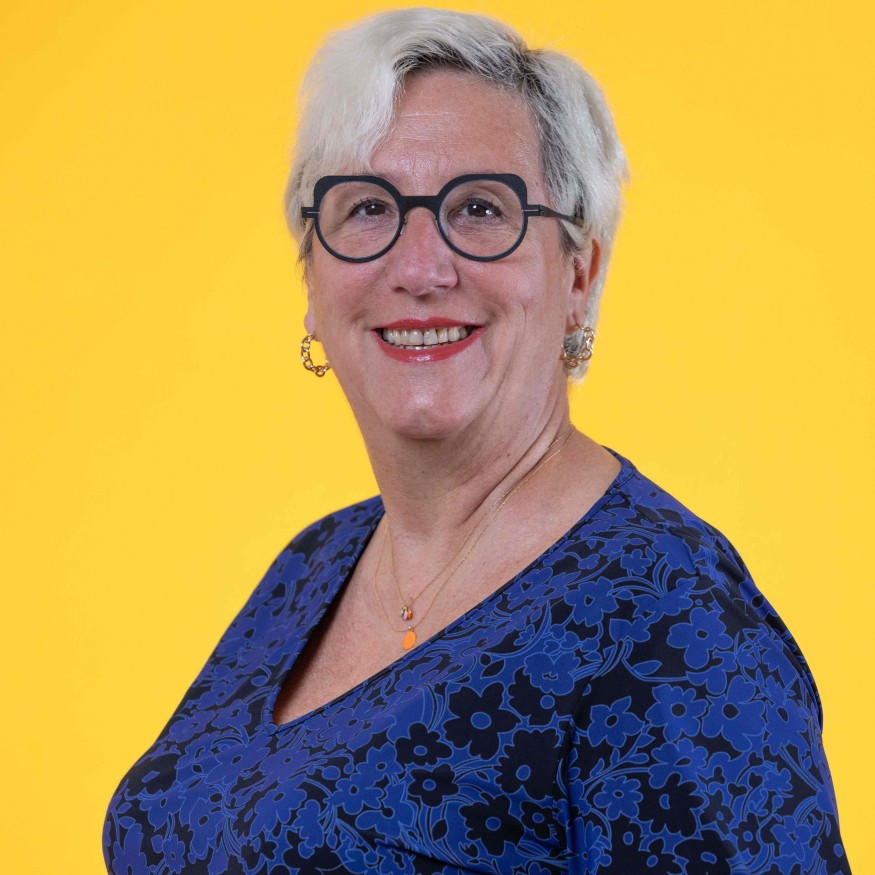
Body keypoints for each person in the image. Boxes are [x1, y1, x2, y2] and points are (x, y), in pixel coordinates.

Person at [103, 8, 850, 873]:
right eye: (367, 208)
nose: (420, 268)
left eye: (481, 208)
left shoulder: (675, 627)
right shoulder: (312, 565)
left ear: (578, 273)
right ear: (311, 276)